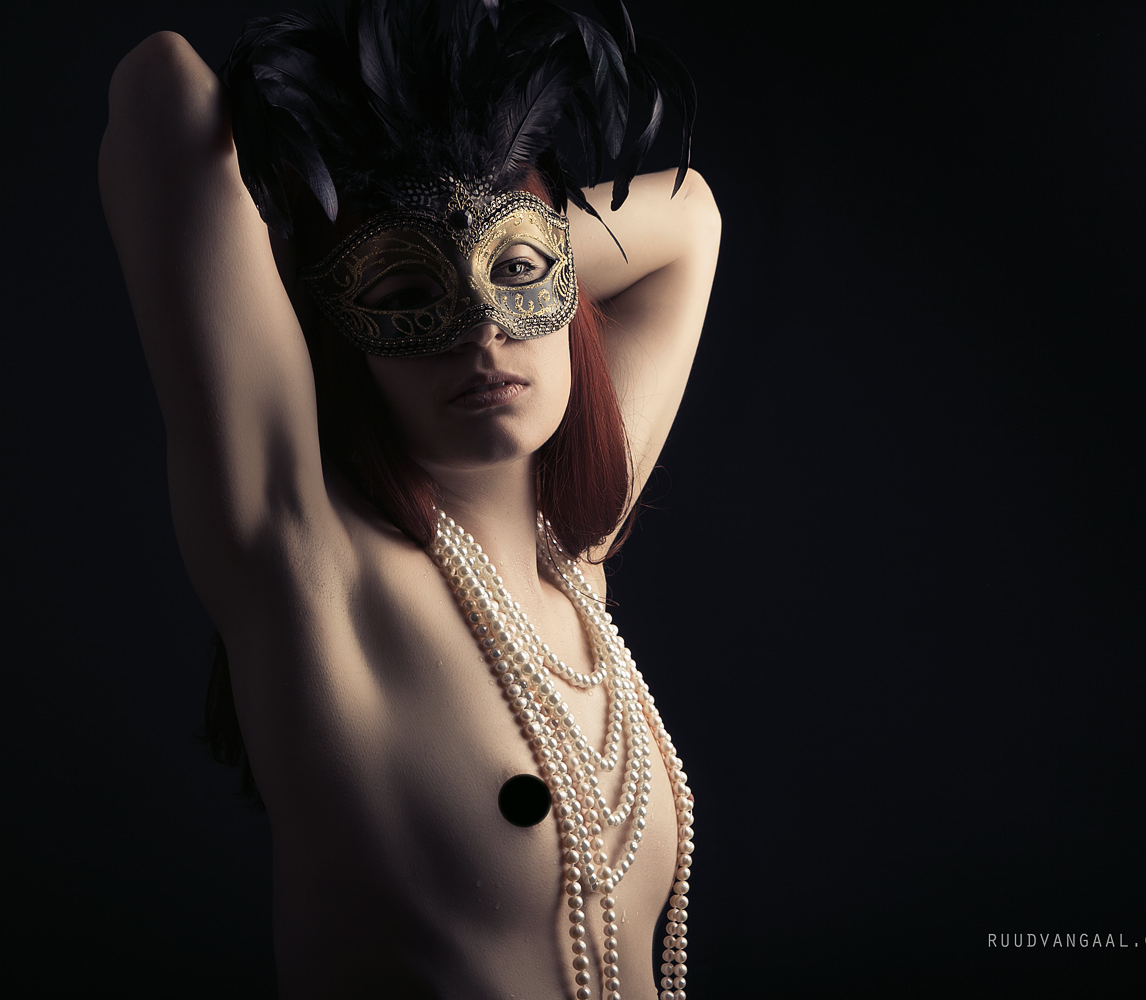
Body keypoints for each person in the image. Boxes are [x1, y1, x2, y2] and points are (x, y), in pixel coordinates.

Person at [99, 2, 719, 996]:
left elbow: (692, 219)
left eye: (519, 271)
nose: (481, 331)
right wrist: (323, 280)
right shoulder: (314, 575)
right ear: (345, 332)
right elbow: (160, 90)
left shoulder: (576, 569)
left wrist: (472, 211)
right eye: (404, 296)